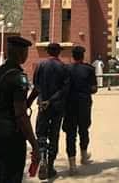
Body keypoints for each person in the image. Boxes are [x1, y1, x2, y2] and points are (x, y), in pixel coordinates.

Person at [0, 36, 38, 183]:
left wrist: (32, 97)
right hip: (11, 135)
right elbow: (20, 114)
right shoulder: (19, 77)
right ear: (21, 54)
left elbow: (3, 103)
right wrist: (34, 143)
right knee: (11, 176)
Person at [27, 43, 70, 180]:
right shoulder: (63, 67)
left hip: (43, 106)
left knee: (41, 134)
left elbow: (36, 86)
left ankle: (43, 158)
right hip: (57, 107)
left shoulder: (40, 66)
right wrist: (52, 100)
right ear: (58, 52)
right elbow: (65, 90)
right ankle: (50, 166)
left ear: (48, 52)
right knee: (54, 135)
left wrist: (31, 102)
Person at [63, 46, 97, 175]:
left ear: (73, 56)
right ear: (82, 56)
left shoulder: (66, 69)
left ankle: (72, 165)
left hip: (69, 105)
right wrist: (85, 89)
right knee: (84, 130)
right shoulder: (89, 69)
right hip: (84, 104)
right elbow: (94, 89)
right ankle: (83, 157)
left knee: (70, 134)